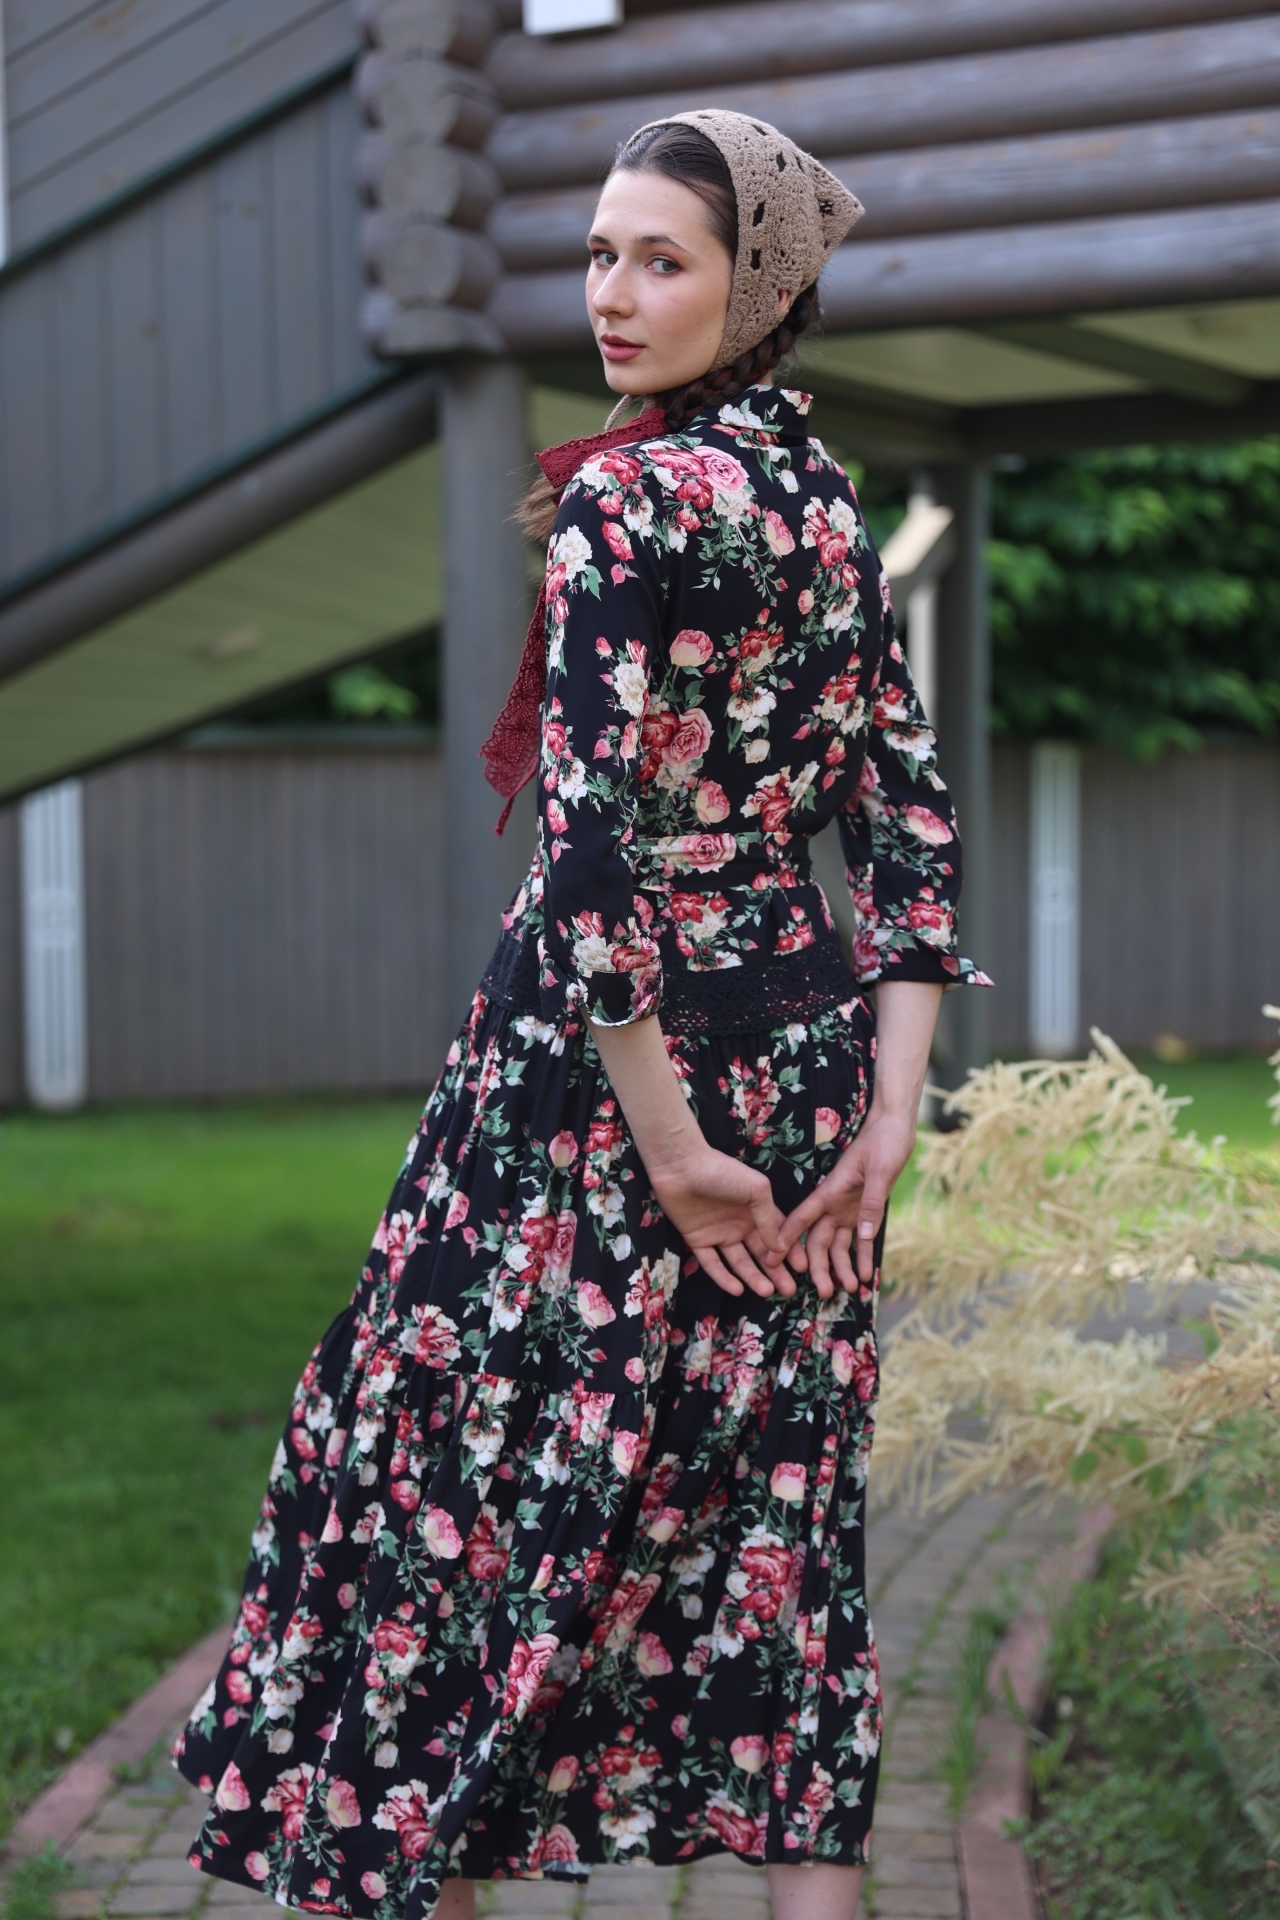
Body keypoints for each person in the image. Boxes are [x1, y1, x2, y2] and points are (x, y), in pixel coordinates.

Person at [175, 109, 986, 1920]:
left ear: (755, 288)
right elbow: (910, 823)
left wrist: (674, 1145)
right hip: (804, 1052)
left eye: (661, 260)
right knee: (772, 1539)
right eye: (602, 253)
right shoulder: (828, 504)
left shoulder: (629, 497)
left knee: (452, 1513)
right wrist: (886, 1115)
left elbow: (594, 843)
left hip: (600, 1085)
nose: (612, 294)